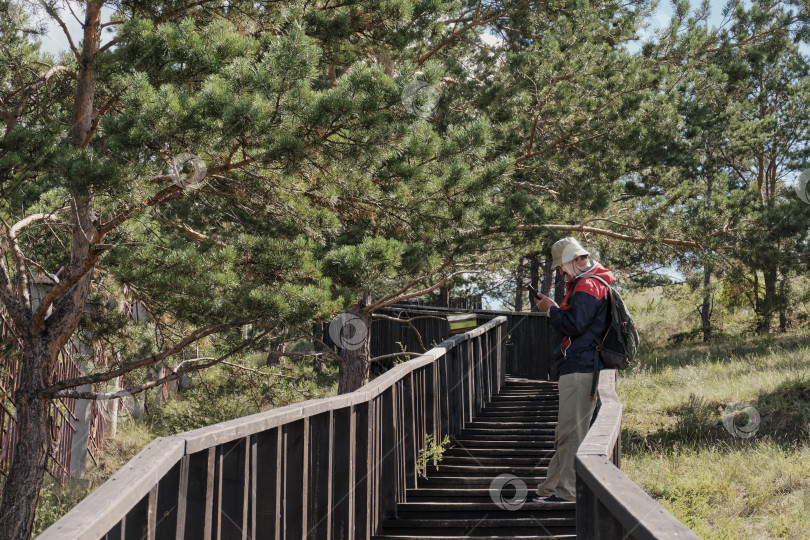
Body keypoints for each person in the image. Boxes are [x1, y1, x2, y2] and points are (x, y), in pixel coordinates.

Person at [530, 236, 616, 503]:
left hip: (580, 367)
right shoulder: (593, 282)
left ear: (572, 260)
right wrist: (555, 309)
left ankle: (566, 493)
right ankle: (550, 488)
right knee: (567, 431)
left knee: (571, 432)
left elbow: (575, 326)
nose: (560, 272)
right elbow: (580, 322)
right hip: (581, 367)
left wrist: (550, 311)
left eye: (560, 267)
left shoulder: (587, 284)